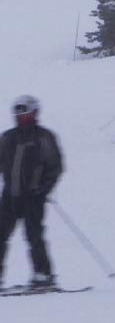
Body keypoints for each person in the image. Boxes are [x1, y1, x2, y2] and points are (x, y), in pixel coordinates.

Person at [0, 96, 63, 290]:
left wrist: (43, 189)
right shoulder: (8, 137)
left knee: (34, 236)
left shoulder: (43, 137)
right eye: (17, 114)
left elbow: (55, 167)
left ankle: (43, 275)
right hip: (10, 196)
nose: (20, 117)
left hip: (33, 197)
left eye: (25, 113)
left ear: (34, 113)